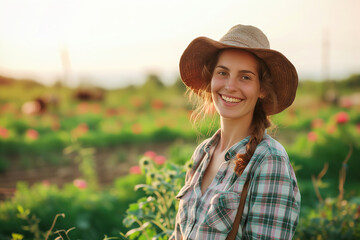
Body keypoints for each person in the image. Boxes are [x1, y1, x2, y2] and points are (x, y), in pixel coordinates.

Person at [170, 24, 301, 239]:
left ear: (262, 89)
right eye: (223, 73)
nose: (230, 86)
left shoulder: (269, 161)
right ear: (211, 78)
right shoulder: (203, 153)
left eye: (245, 77)